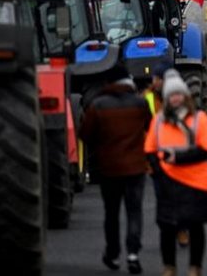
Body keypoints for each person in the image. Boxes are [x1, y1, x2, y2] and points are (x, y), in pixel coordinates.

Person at [146, 71, 207, 276]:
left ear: (185, 96)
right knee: (167, 227)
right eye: (171, 95)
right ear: (167, 98)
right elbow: (150, 149)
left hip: (196, 182)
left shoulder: (199, 120)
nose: (175, 98)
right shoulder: (159, 121)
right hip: (168, 182)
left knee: (195, 227)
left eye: (178, 94)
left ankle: (195, 267)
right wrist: (159, 173)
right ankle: (169, 266)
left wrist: (177, 158)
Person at [80, 70, 151, 275]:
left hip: (109, 169)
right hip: (136, 167)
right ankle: (133, 254)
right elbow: (151, 126)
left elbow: (86, 134)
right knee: (134, 211)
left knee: (111, 213)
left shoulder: (98, 105)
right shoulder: (140, 103)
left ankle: (113, 253)